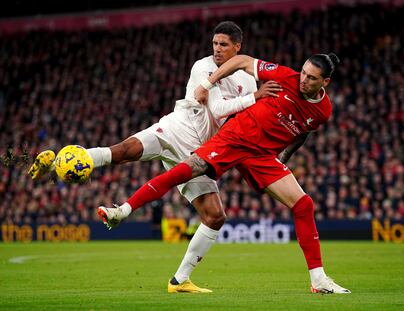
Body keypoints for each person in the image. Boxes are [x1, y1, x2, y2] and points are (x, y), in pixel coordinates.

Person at [28, 21, 281, 293]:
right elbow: (218, 109)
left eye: (223, 45)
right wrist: (256, 97)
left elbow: (241, 117)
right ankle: (55, 164)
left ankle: (179, 280)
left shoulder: (246, 78)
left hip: (201, 151)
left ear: (237, 47)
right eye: (214, 44)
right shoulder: (203, 67)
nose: (217, 49)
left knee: (215, 216)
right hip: (176, 128)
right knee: (124, 151)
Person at [99, 52, 352, 294]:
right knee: (184, 172)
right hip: (235, 136)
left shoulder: (323, 111)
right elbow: (242, 60)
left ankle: (319, 279)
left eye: (310, 78)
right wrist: (208, 84)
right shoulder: (286, 76)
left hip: (262, 155)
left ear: (325, 82)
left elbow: (304, 131)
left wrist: (285, 156)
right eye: (304, 73)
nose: (303, 80)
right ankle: (123, 211)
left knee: (304, 204)